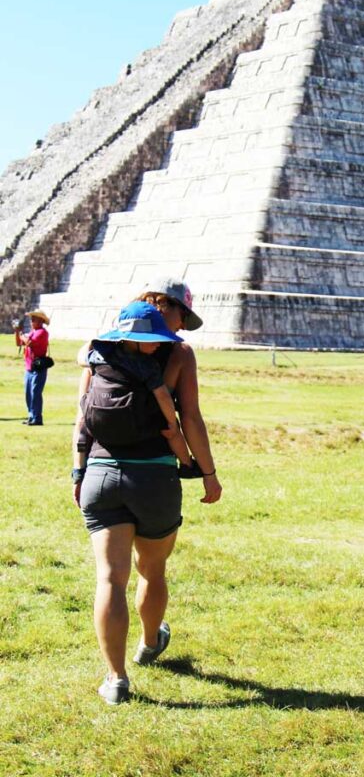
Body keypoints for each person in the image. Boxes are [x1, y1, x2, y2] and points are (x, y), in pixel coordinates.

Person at [72, 278, 222, 706]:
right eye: (179, 317)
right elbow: (189, 417)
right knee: (151, 571)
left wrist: (78, 472)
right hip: (155, 478)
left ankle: (116, 678)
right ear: (161, 305)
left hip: (100, 474)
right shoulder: (179, 354)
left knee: (109, 578)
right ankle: (151, 640)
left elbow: (81, 419)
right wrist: (208, 473)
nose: (178, 330)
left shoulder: (97, 348)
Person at [85, 303, 193, 468]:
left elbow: (81, 358)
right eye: (153, 339)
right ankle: (187, 464)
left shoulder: (101, 355)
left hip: (99, 430)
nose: (158, 344)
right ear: (135, 339)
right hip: (138, 433)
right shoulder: (147, 365)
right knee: (173, 431)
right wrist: (171, 422)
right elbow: (162, 395)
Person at [13, 309, 51, 426]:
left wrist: (22, 335)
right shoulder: (33, 332)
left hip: (38, 368)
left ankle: (37, 418)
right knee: (28, 393)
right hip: (29, 367)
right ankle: (31, 416)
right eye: (32, 319)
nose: (31, 321)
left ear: (40, 321)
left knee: (35, 392)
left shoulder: (42, 332)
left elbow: (29, 343)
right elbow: (19, 343)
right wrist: (17, 332)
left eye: (34, 319)